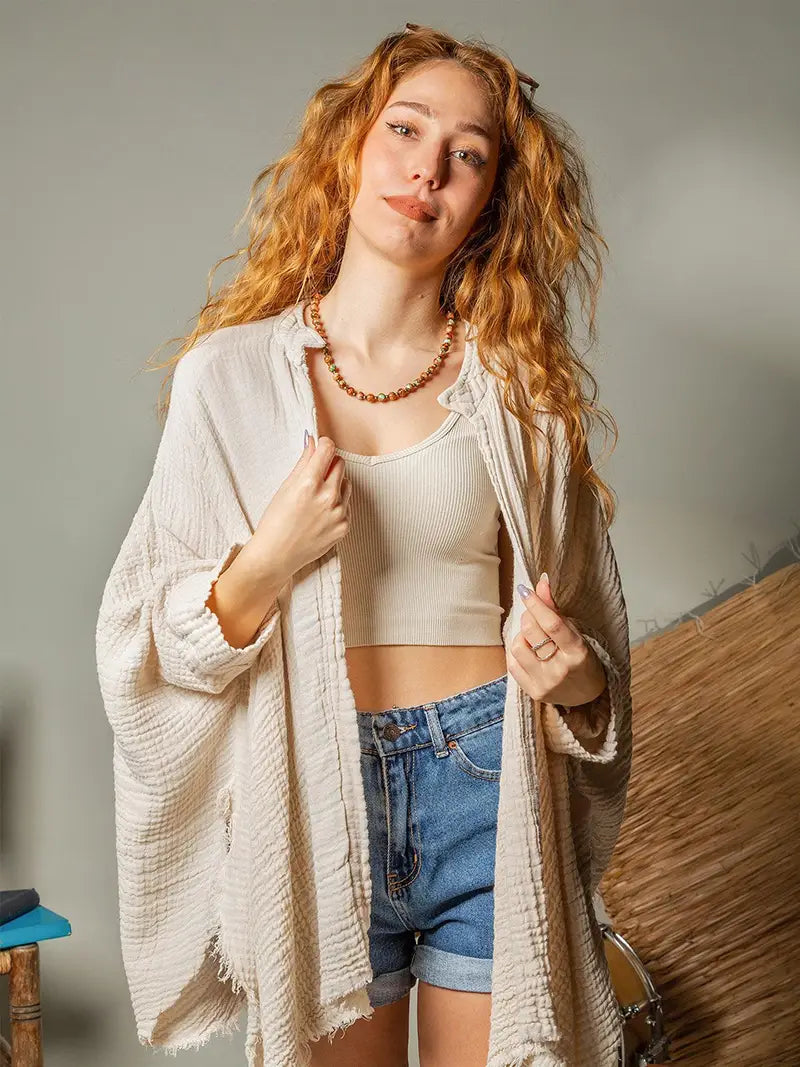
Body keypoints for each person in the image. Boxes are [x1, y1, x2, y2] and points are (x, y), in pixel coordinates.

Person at [96, 22, 632, 1067]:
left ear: (488, 204)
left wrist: (576, 680)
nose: (425, 167)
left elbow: (593, 659)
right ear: (351, 147)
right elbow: (140, 639)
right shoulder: (231, 376)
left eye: (466, 154)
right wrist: (267, 557)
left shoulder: (517, 397)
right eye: (404, 128)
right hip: (318, 794)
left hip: (489, 778)